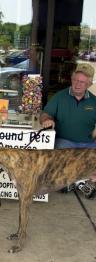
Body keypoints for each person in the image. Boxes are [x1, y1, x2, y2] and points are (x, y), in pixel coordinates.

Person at [40, 63, 96, 197]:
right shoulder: (60, 96)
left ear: (89, 84)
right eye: (75, 80)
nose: (77, 84)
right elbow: (45, 114)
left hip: (89, 143)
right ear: (71, 80)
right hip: (65, 141)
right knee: (61, 152)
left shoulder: (94, 101)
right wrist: (47, 119)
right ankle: (80, 182)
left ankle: (74, 181)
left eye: (82, 82)